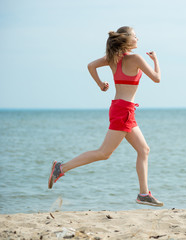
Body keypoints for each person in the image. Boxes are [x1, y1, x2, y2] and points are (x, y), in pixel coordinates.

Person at [48, 26, 163, 207]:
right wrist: (156, 59)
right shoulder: (137, 58)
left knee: (144, 150)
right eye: (135, 36)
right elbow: (156, 78)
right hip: (123, 110)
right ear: (126, 39)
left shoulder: (113, 59)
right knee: (104, 153)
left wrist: (100, 84)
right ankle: (61, 168)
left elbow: (90, 66)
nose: (138, 39)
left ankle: (143, 193)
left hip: (122, 109)